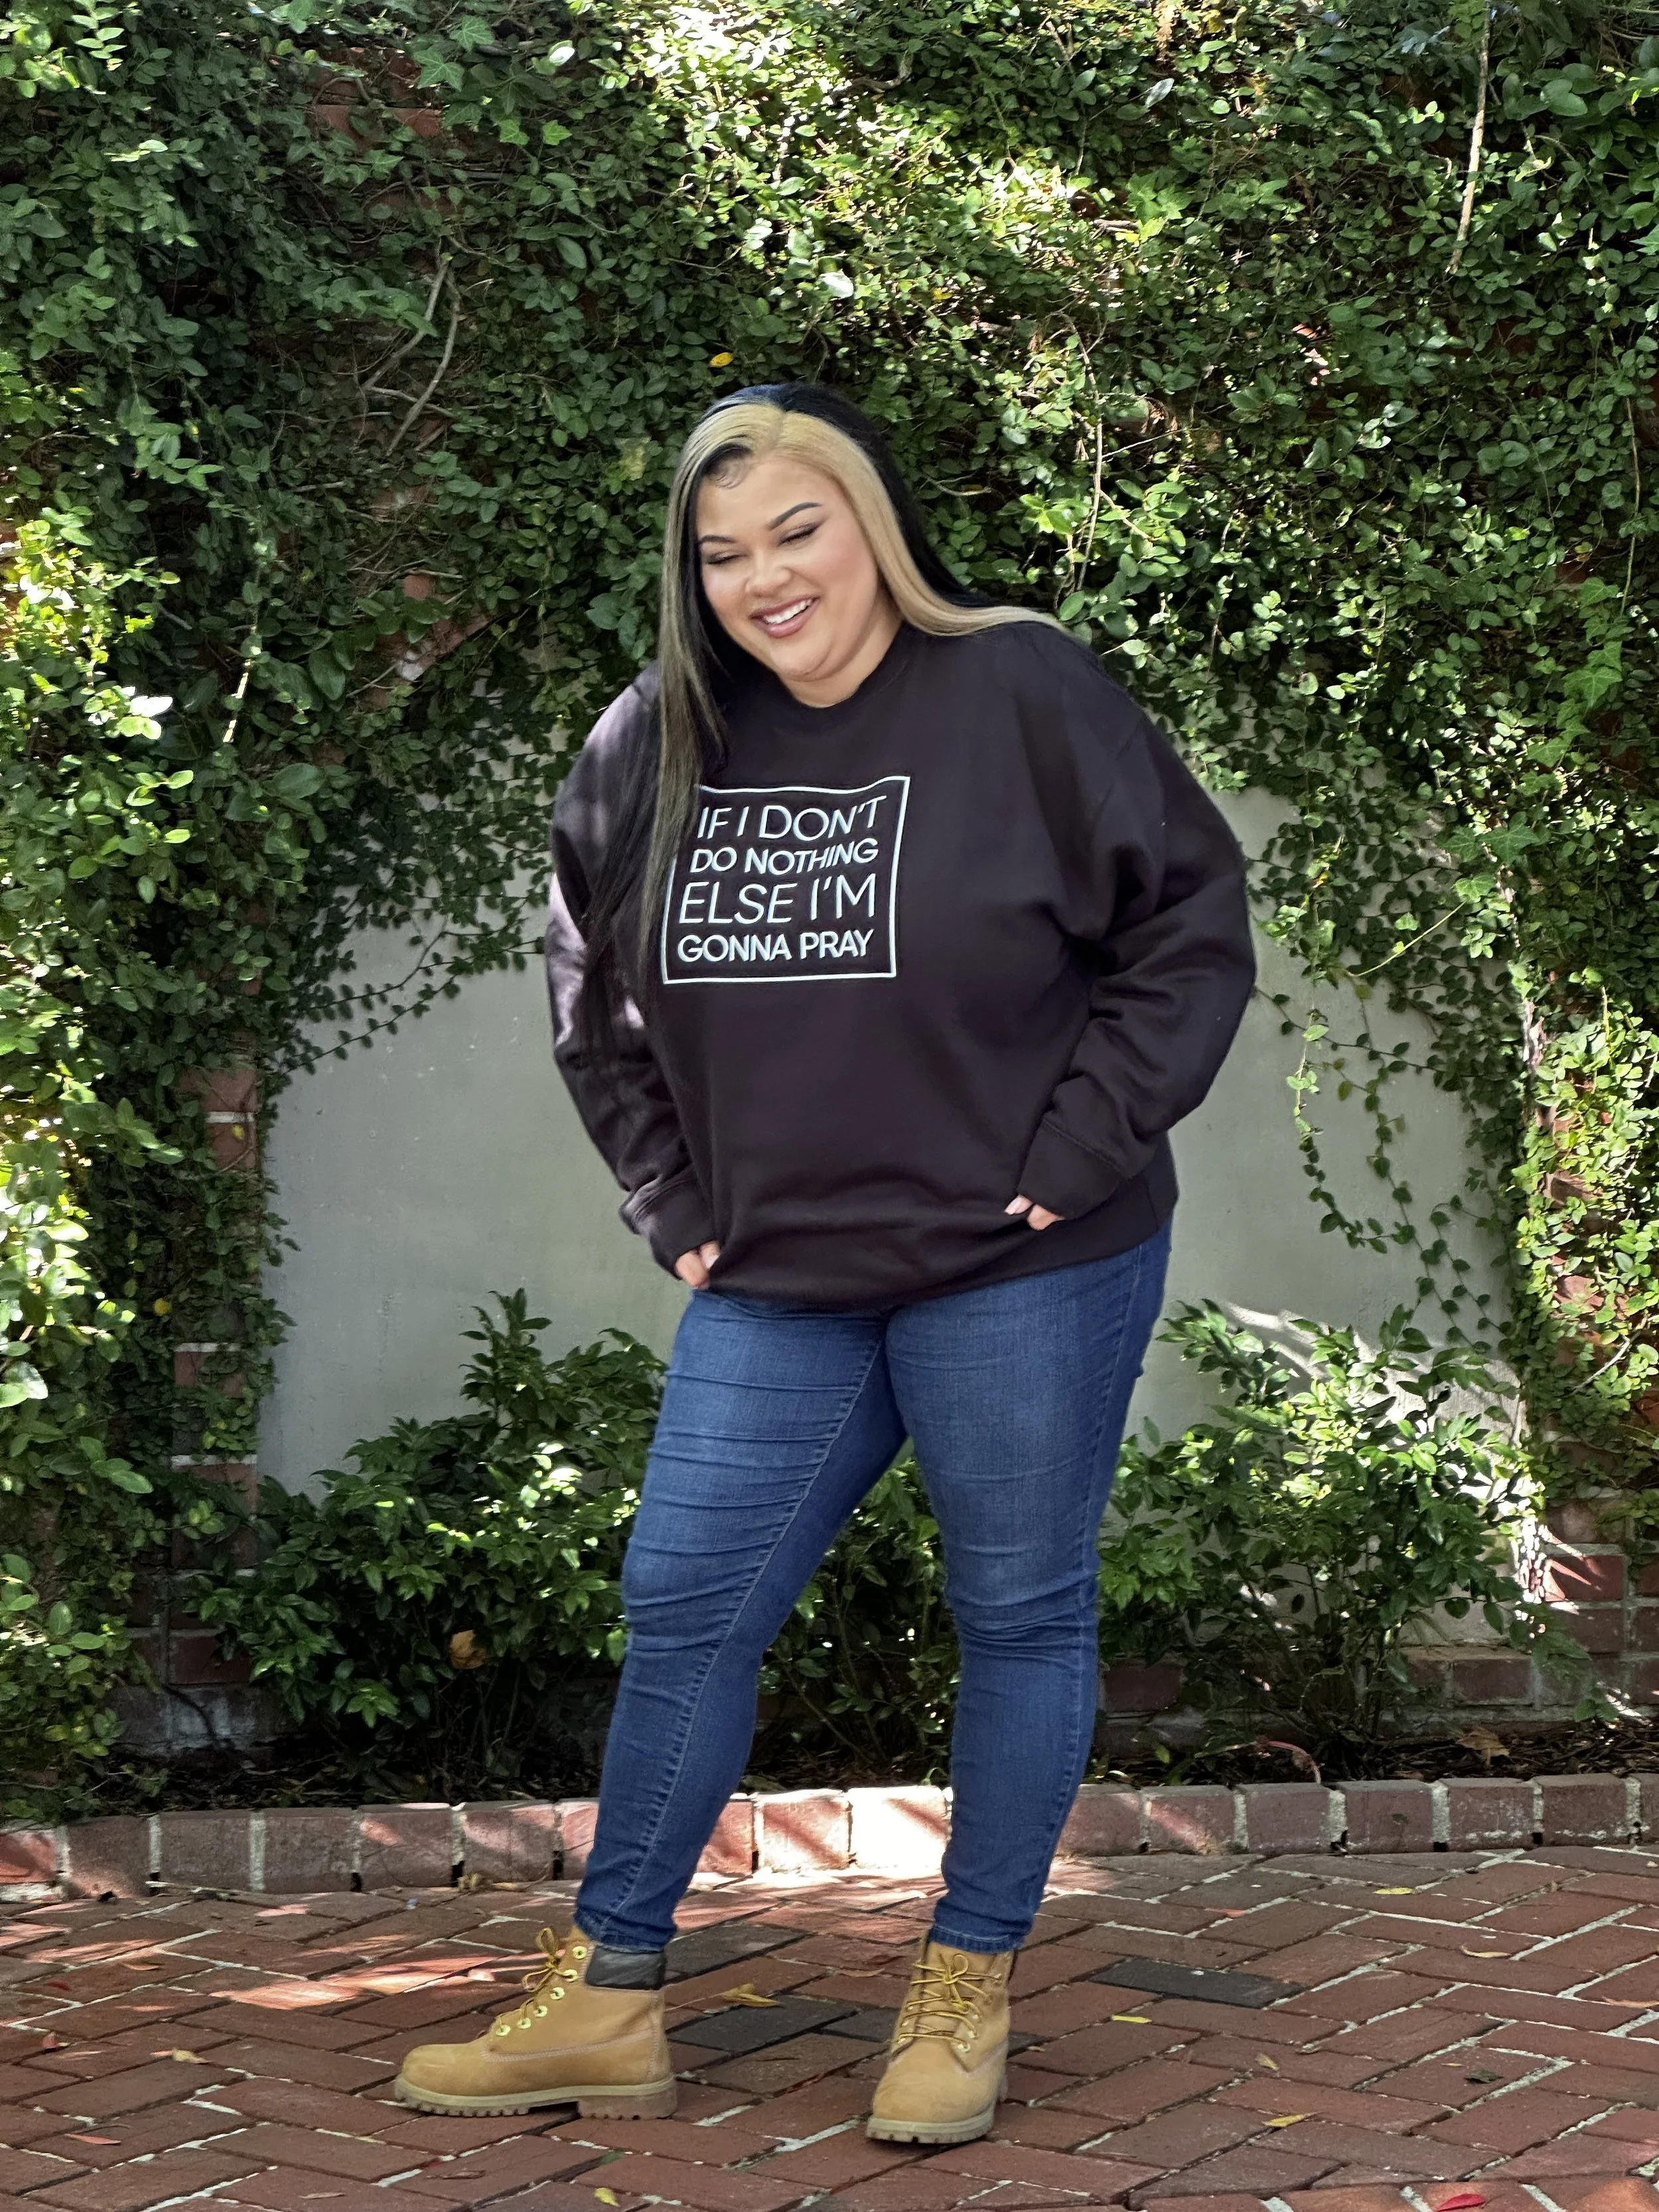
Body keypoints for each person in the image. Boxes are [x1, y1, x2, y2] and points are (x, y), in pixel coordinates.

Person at [396, 382, 1255, 2142]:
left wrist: (1065, 1155)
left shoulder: (1022, 690)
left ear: (872, 522)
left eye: (797, 529)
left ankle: (964, 1973)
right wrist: (670, 1195)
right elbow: (589, 987)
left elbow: (1187, 921)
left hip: (1018, 1261)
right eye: (720, 555)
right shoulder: (654, 742)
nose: (763, 578)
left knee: (1014, 1607)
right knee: (683, 1606)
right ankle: (612, 1992)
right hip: (780, 1271)